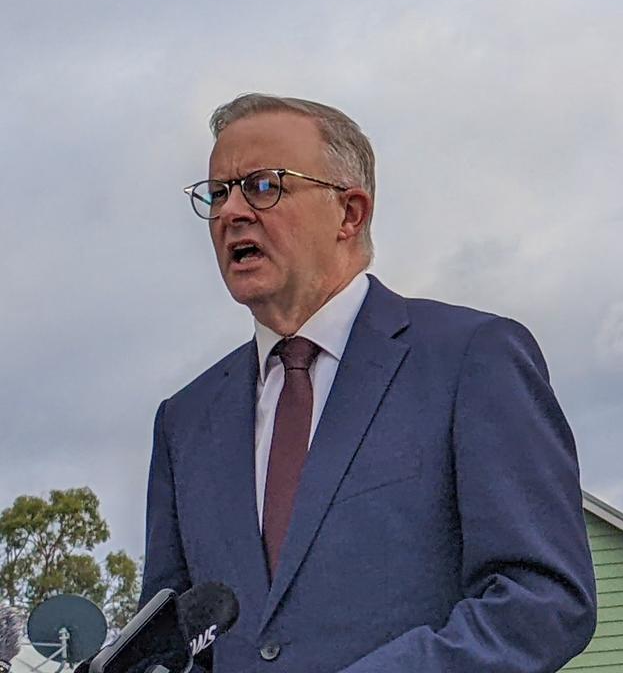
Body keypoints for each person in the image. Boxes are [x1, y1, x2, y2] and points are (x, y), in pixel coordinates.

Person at [142, 93, 596, 672]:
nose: (231, 212)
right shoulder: (184, 421)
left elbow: (542, 602)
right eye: (217, 193)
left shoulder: (471, 359)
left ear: (350, 212)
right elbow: (175, 645)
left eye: (262, 186)